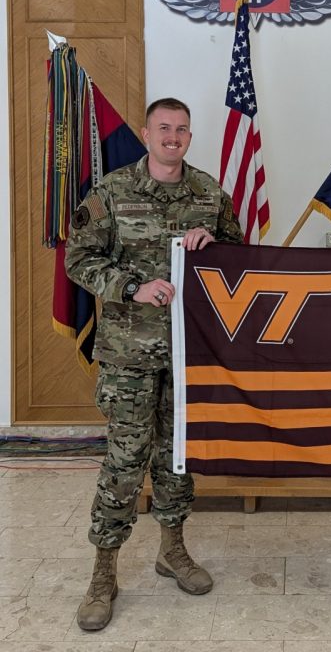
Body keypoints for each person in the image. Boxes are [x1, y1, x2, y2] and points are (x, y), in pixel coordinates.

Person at [66, 97, 243, 631]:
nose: (173, 138)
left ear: (190, 135)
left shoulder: (209, 192)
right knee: (124, 463)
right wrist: (131, 287)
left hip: (191, 355)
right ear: (146, 133)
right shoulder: (112, 192)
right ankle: (103, 573)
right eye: (164, 129)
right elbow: (79, 259)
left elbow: (240, 258)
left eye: (182, 130)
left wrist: (213, 244)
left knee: (174, 460)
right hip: (128, 358)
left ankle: (172, 550)